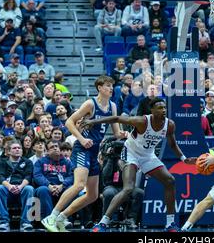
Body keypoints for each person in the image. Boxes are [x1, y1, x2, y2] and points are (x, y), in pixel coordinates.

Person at [84, 97, 196, 232]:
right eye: (160, 108)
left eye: (164, 107)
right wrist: (93, 121)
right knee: (128, 188)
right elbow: (117, 118)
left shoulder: (169, 124)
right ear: (152, 110)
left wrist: (184, 159)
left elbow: (173, 144)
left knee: (170, 181)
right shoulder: (142, 121)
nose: (163, 110)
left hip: (148, 156)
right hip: (131, 153)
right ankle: (103, 223)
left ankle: (170, 224)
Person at [41, 75, 124, 232]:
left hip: (94, 151)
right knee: (79, 184)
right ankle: (51, 216)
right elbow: (69, 122)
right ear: (99, 88)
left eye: (112, 86)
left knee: (92, 195)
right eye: (108, 85)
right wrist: (81, 138)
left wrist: (126, 134)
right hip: (82, 148)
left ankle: (62, 217)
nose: (111, 88)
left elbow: (117, 132)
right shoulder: (90, 104)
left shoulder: (112, 106)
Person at [0, 140, 34, 231]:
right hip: (7, 189)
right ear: (8, 151)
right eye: (14, 148)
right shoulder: (1, 162)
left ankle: (26, 222)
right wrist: (10, 186)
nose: (17, 150)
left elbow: (28, 176)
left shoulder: (27, 162)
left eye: (19, 148)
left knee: (29, 188)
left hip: (22, 189)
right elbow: (0, 177)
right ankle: (3, 222)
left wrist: (20, 187)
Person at [33, 140, 74, 219]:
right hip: (47, 187)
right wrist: (49, 186)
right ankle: (49, 219)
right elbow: (37, 176)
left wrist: (62, 185)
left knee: (70, 190)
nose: (55, 148)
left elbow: (72, 176)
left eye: (57, 146)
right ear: (47, 151)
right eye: (52, 147)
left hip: (63, 187)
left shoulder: (67, 162)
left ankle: (66, 219)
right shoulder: (40, 162)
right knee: (42, 190)